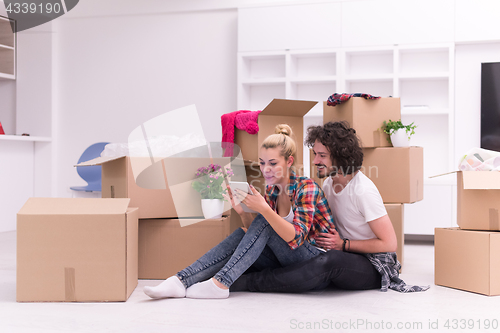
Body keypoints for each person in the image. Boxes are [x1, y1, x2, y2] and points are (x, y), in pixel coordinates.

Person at [230, 121, 429, 293]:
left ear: (340, 156)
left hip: (373, 264)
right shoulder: (328, 184)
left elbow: (389, 244)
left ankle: (249, 282)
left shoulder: (363, 190)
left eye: (322, 155)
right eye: (315, 154)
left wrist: (343, 244)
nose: (315, 161)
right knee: (316, 257)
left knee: (330, 261)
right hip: (343, 253)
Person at [143, 124, 336, 299]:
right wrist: (242, 212)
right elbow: (257, 236)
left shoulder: (306, 188)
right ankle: (180, 281)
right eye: (262, 163)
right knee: (244, 232)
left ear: (289, 161)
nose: (265, 169)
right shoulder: (272, 189)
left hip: (317, 262)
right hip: (289, 258)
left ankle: (220, 283)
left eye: (273, 163)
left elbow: (296, 238)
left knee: (266, 219)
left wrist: (263, 209)